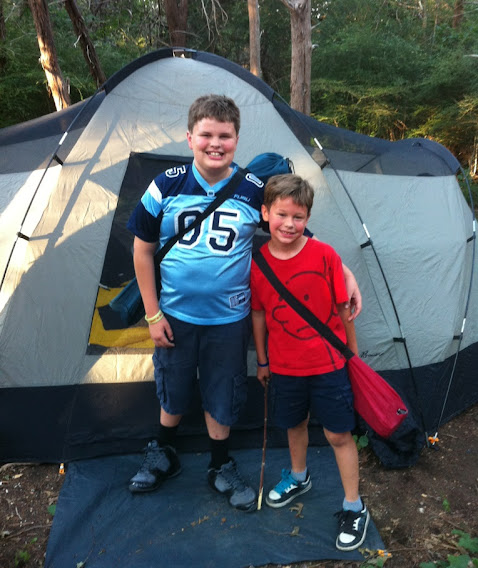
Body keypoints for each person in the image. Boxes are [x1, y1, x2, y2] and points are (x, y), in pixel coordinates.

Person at [126, 94, 363, 513]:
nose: (215, 144)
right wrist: (152, 313)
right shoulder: (165, 185)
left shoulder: (252, 189)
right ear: (190, 137)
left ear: (237, 140)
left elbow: (293, 233)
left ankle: (220, 464)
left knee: (222, 391)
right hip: (174, 314)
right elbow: (142, 249)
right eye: (206, 135)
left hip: (229, 319)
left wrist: (344, 272)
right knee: (172, 386)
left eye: (225, 136)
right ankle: (163, 452)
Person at [250, 173, 369, 551]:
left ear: (308, 218)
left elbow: (343, 308)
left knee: (338, 434)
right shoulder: (257, 263)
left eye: (298, 217)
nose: (289, 224)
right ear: (265, 213)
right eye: (282, 214)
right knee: (294, 424)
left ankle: (354, 506)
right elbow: (258, 314)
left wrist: (352, 357)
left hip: (329, 365)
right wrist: (263, 360)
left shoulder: (324, 255)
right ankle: (299, 476)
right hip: (285, 367)